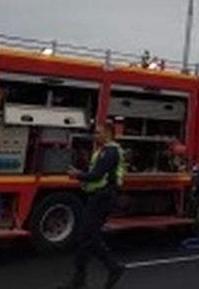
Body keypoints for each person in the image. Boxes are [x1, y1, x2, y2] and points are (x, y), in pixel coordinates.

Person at [58, 121, 127, 289]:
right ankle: (80, 280)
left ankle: (112, 267)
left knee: (86, 237)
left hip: (103, 198)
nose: (95, 136)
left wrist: (77, 175)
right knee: (86, 238)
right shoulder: (103, 151)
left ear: (108, 134)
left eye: (98, 132)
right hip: (98, 197)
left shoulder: (110, 152)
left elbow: (96, 175)